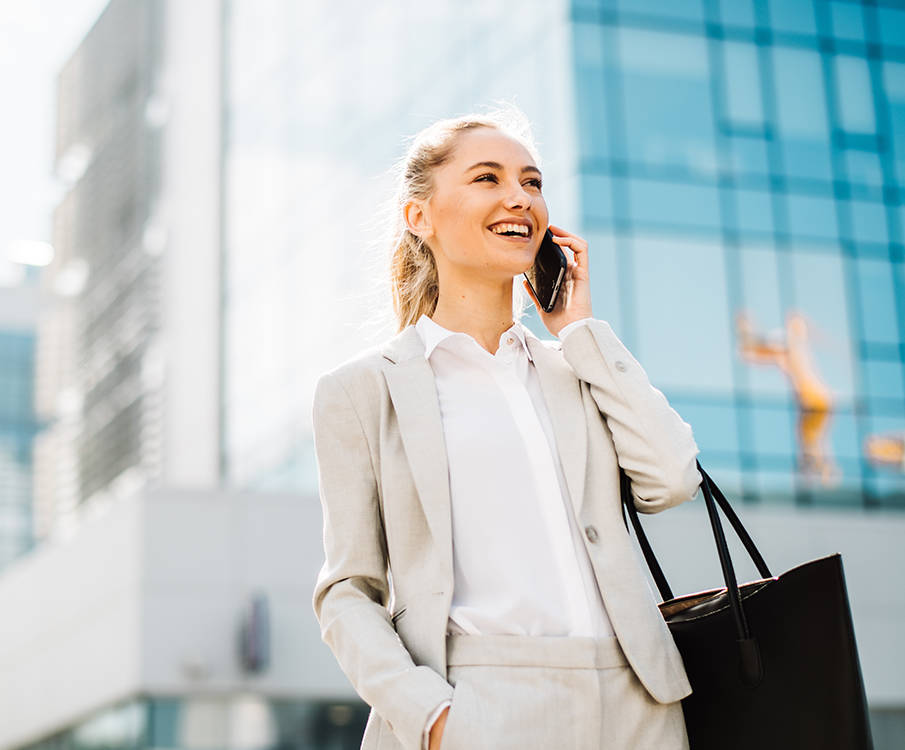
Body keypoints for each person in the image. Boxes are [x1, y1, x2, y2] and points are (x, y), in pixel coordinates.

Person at [311, 107, 702, 750]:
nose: (519, 197)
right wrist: (431, 717)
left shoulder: (577, 368)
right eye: (487, 178)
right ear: (420, 217)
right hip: (479, 705)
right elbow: (347, 590)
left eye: (532, 181)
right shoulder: (362, 391)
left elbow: (671, 478)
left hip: (637, 704)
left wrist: (579, 330)